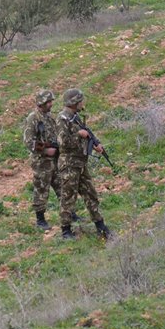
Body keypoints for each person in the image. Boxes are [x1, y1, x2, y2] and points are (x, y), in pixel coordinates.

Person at [56, 89, 111, 240]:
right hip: (69, 164)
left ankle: (100, 226)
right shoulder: (63, 118)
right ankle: (66, 231)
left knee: (90, 194)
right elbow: (62, 142)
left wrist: (95, 143)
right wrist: (78, 135)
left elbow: (87, 133)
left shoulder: (75, 117)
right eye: (80, 101)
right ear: (74, 103)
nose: (82, 103)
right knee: (68, 197)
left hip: (80, 163)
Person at [23, 89, 62, 230]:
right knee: (41, 189)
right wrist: (45, 150)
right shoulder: (33, 118)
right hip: (41, 162)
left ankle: (70, 214)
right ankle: (40, 220)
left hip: (55, 160)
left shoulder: (49, 117)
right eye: (49, 102)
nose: (51, 104)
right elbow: (28, 142)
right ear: (42, 103)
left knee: (62, 187)